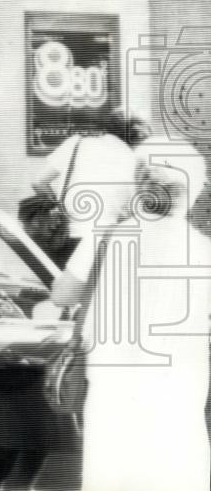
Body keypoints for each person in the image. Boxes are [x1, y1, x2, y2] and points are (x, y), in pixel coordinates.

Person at [51, 137, 211, 491]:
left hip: (113, 392)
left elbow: (61, 294)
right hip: (179, 395)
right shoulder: (202, 251)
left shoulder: (104, 236)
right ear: (193, 193)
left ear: (139, 186)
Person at [28, 109, 145, 267]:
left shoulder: (76, 143)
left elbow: (38, 182)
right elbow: (135, 210)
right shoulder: (135, 159)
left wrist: (58, 209)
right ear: (136, 135)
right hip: (105, 243)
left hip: (65, 237)